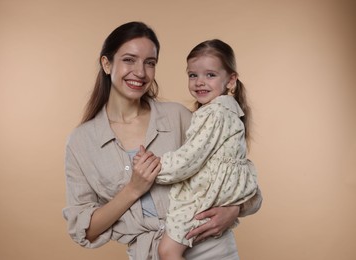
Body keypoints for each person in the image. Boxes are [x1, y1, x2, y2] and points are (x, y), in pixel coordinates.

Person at [62, 21, 263, 260]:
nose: (140, 72)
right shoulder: (81, 142)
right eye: (129, 59)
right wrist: (133, 189)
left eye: (150, 63)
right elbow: (84, 230)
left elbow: (241, 179)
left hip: (210, 247)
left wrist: (234, 210)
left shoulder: (179, 116)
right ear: (107, 64)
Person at [134, 39, 258, 260]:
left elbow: (189, 159)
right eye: (193, 75)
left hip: (204, 197)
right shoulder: (230, 112)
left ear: (231, 80)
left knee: (167, 251)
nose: (200, 82)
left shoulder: (213, 113)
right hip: (223, 193)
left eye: (210, 75)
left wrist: (155, 167)